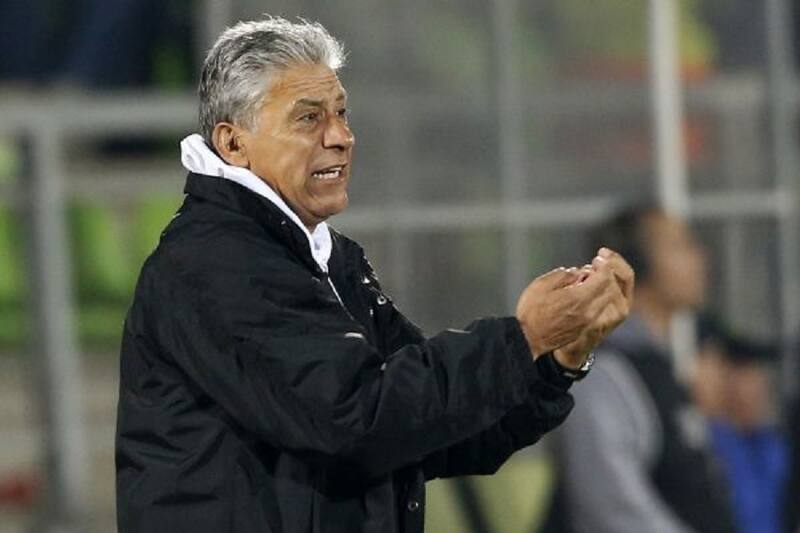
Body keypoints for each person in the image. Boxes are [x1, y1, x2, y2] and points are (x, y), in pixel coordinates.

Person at [114, 17, 634, 533]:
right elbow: (356, 417)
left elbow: (433, 429)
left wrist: (556, 358)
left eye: (341, 113)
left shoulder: (328, 257)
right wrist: (521, 339)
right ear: (233, 144)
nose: (340, 136)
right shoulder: (215, 263)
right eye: (308, 118)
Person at [549, 205, 736, 533]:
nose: (700, 257)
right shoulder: (603, 372)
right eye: (681, 246)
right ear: (635, 266)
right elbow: (611, 510)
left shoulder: (655, 368)